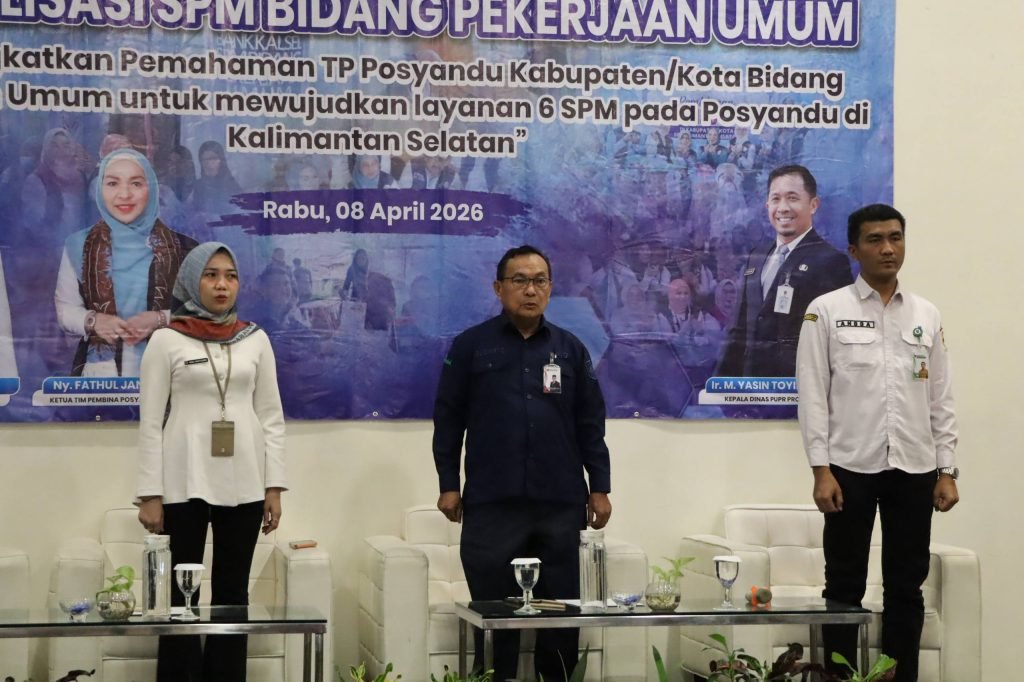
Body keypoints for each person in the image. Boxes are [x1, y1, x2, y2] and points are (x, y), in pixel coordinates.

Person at [432, 245, 612, 682]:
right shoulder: (471, 346)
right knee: (494, 618)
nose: (530, 290)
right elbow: (448, 418)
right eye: (520, 281)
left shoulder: (570, 349)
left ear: (550, 288)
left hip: (559, 504)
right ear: (499, 288)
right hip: (493, 504)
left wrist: (600, 487)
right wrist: (448, 484)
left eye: (539, 281)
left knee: (559, 616)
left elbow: (590, 423)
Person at [796, 204, 958, 682]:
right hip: (849, 468)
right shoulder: (826, 310)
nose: (887, 248)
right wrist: (820, 469)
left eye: (895, 237)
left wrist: (947, 469)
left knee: (906, 588)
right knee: (843, 587)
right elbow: (813, 394)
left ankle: (898, 677)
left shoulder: (926, 314)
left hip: (915, 467)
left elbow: (941, 397)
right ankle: (841, 678)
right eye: (875, 240)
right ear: (853, 250)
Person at [136, 241, 286, 682]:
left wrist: (273, 486)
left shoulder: (255, 339)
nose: (222, 285)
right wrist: (150, 494)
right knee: (181, 598)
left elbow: (271, 417)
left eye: (231, 276)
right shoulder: (167, 339)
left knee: (232, 594)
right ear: (192, 281)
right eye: (212, 275)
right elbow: (150, 422)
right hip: (183, 482)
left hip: (245, 482)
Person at [55, 149, 197, 376]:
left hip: (169, 371)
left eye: (136, 184)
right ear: (100, 190)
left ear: (151, 189)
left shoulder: (185, 248)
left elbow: (204, 312)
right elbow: (66, 308)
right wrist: (93, 320)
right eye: (113, 183)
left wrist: (160, 319)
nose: (124, 194)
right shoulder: (78, 245)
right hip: (102, 374)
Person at [717, 165, 853, 377]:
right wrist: (721, 385)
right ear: (767, 205)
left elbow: (839, 339)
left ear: (813, 205)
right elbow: (739, 330)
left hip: (798, 388)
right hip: (749, 388)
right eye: (776, 199)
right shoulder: (757, 256)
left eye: (792, 198)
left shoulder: (831, 261)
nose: (783, 208)